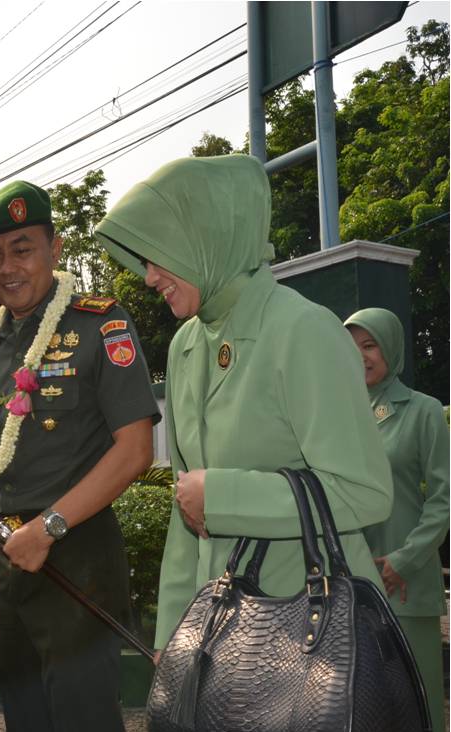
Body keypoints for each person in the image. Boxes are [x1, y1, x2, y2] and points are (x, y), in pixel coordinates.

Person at [93, 154, 393, 656]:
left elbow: (364, 492)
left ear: (207, 238)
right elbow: (185, 508)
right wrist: (173, 637)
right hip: (219, 637)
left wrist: (224, 497)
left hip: (310, 641)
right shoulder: (186, 345)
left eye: (158, 254)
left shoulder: (304, 331)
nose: (148, 277)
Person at [0, 180, 159, 732]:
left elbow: (135, 450)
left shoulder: (99, 324)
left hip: (77, 559)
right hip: (10, 564)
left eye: (22, 249)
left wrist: (49, 527)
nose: (6, 268)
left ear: (55, 248)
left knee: (84, 728)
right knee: (27, 726)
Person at [343, 307, 449, 732]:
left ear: (390, 347)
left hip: (404, 583)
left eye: (369, 346)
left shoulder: (423, 411)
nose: (361, 356)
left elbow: (444, 498)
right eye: (351, 348)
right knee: (364, 710)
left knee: (417, 707)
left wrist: (403, 561)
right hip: (353, 581)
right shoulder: (341, 414)